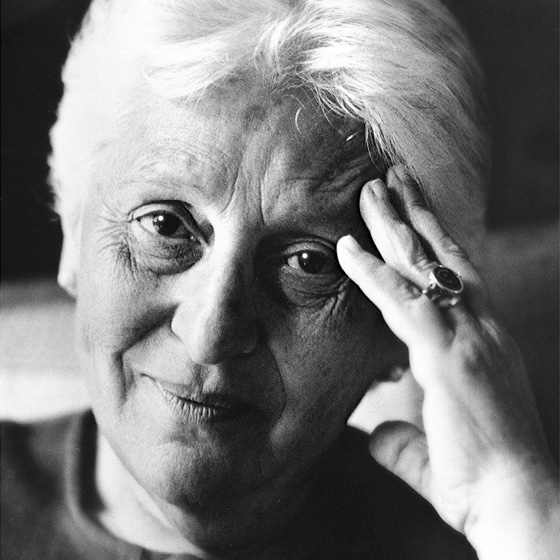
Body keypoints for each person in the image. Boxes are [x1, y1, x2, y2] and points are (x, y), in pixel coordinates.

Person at [1, 0, 558, 559]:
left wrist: (518, 509)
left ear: (399, 328)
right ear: (73, 233)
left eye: (308, 263)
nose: (211, 334)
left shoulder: (478, 540)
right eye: (166, 226)